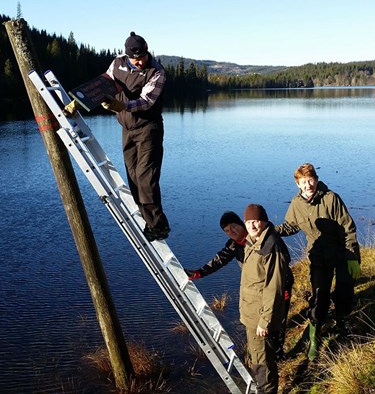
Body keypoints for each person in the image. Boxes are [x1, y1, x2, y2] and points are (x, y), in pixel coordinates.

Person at [66, 31, 170, 241]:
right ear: (127, 56)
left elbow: (147, 101)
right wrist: (80, 100)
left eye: (142, 57)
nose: (140, 62)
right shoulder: (117, 64)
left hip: (149, 128)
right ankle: (147, 221)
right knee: (132, 176)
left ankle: (159, 226)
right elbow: (103, 84)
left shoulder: (157, 72)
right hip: (127, 128)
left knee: (146, 178)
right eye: (135, 58)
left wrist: (122, 105)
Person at [275, 163, 361, 361]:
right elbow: (290, 226)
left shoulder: (331, 198)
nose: (308, 185)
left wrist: (351, 256)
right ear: (298, 184)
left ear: (316, 179)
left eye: (311, 180)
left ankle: (342, 323)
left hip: (341, 252)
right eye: (304, 182)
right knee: (319, 295)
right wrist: (271, 231)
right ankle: (315, 338)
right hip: (318, 257)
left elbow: (348, 228)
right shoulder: (297, 204)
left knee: (344, 292)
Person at [184, 211, 293, 360]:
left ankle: (278, 351)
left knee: (278, 318)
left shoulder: (260, 238)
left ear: (242, 224)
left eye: (234, 227)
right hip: (257, 290)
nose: (232, 232)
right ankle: (264, 350)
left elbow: (279, 267)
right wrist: (200, 273)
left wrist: (284, 289)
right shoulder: (235, 245)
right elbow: (220, 259)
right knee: (260, 320)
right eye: (227, 231)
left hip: (278, 286)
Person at [239, 203, 291, 394]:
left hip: (261, 317)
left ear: (265, 221)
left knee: (263, 364)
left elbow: (274, 287)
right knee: (258, 359)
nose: (252, 225)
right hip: (252, 314)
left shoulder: (271, 246)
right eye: (249, 222)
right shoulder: (253, 242)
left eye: (256, 221)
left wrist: (265, 321)